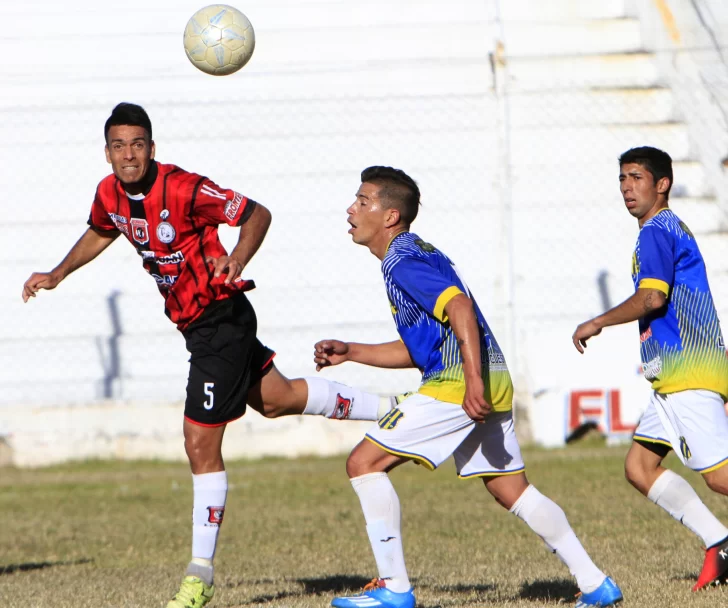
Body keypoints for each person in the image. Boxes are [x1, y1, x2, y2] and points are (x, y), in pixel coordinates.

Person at [21, 103, 390, 608]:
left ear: (153, 147)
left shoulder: (184, 188)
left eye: (138, 144)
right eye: (119, 145)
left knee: (199, 442)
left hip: (222, 320)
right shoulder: (109, 194)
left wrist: (235, 258)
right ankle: (393, 410)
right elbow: (101, 229)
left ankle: (199, 576)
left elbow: (257, 213)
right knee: (279, 398)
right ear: (107, 153)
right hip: (197, 328)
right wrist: (58, 273)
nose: (129, 155)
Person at [314, 166, 623, 608]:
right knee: (509, 488)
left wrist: (471, 382)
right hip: (488, 376)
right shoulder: (416, 252)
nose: (351, 208)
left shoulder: (401, 262)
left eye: (363, 202)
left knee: (364, 463)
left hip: (460, 383)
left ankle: (394, 588)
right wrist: (353, 351)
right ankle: (595, 584)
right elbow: (426, 343)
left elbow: (458, 307)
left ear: (390, 216)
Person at [572, 146, 728, 591]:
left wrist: (598, 320)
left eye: (637, 177)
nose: (626, 186)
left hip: (688, 376)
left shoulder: (656, 232)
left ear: (663, 184)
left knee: (719, 476)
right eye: (622, 178)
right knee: (639, 467)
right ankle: (719, 541)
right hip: (675, 376)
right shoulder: (667, 229)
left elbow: (652, 298)